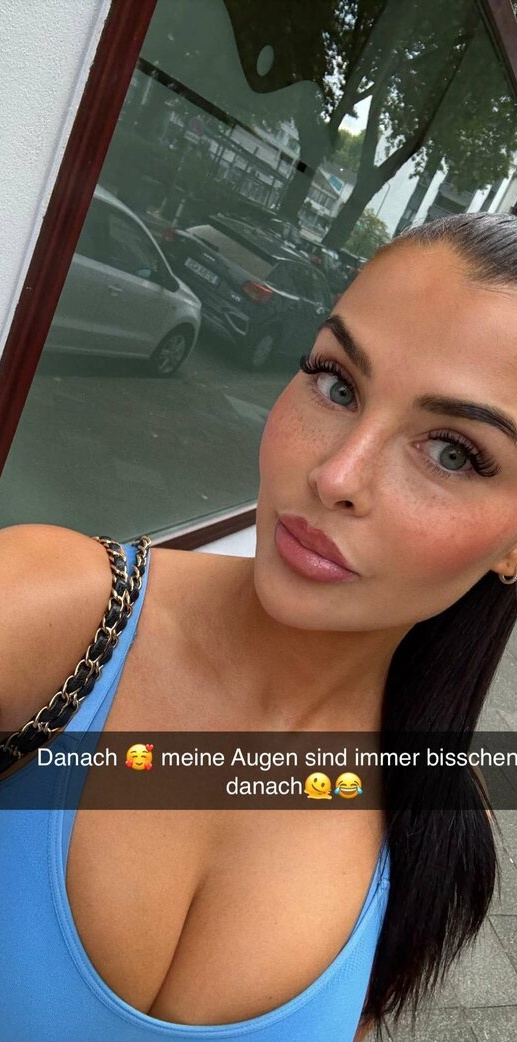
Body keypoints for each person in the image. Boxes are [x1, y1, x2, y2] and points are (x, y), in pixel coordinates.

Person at [0, 210, 514, 1042]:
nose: (336, 474)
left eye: (451, 451)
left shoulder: (435, 824)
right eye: (336, 383)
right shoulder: (43, 612)